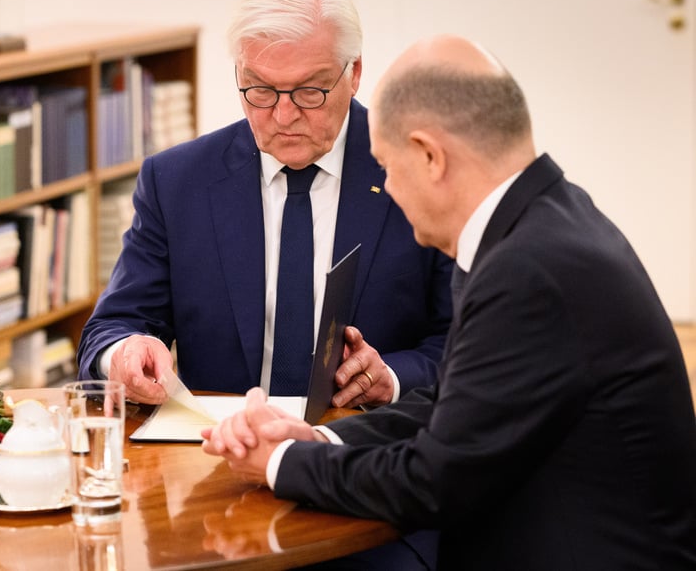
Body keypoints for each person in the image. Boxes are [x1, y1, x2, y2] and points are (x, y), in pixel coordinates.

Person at [202, 34, 696, 569]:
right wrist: (320, 437)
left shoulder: (528, 271)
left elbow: (434, 481)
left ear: (431, 156)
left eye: (388, 167)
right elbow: (450, 403)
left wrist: (280, 462)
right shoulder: (549, 221)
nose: (387, 189)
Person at [77, 0, 453, 413]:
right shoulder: (177, 181)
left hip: (368, 448)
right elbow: (113, 326)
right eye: (260, 90)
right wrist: (123, 353)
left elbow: (467, 341)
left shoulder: (420, 169)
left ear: (354, 74)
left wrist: (391, 377)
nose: (284, 114)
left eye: (310, 90)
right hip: (217, 454)